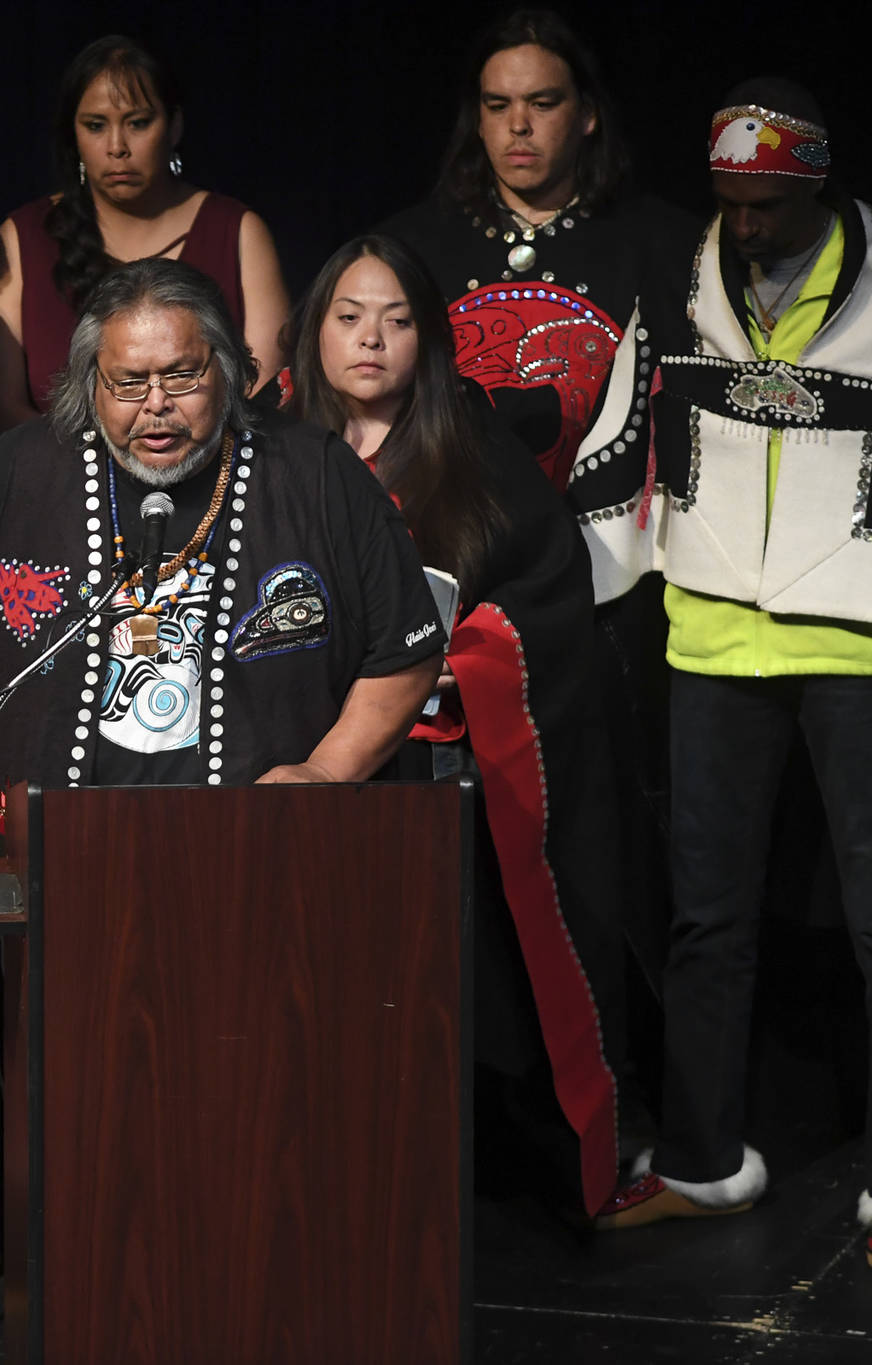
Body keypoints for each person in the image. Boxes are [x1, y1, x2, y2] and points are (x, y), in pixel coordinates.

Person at [0, 256, 443, 866]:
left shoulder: (316, 474)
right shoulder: (12, 471)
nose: (155, 405)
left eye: (182, 377)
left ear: (227, 370)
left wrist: (328, 771)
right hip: (52, 864)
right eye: (128, 382)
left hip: (265, 860)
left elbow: (406, 651)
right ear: (89, 381)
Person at [287, 233, 628, 1218]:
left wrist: (462, 652)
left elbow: (546, 595)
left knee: (439, 996)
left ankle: (444, 1178)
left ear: (427, 340)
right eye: (348, 318)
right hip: (301, 763)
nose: (370, 341)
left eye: (396, 321)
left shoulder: (471, 449)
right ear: (314, 330)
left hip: (435, 774)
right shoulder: (271, 446)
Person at [378, 7, 696, 1011]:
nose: (519, 129)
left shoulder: (663, 245)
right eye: (497, 106)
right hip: (465, 604)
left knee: (618, 849)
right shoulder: (410, 250)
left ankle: (627, 1087)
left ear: (588, 116)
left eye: (543, 104)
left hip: (622, 605)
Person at [601, 82, 872, 1237]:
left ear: (814, 185)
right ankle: (703, 1155)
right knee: (705, 912)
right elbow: (620, 435)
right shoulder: (677, 273)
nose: (745, 226)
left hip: (854, 631)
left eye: (767, 205)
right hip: (710, 629)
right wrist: (608, 579)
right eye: (730, 202)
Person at [0, 35, 290, 436]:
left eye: (138, 123)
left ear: (174, 125)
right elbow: (2, 409)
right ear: (72, 133)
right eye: (95, 126)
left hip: (214, 483)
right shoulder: (23, 237)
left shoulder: (239, 231)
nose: (116, 147)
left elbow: (264, 395)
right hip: (56, 485)